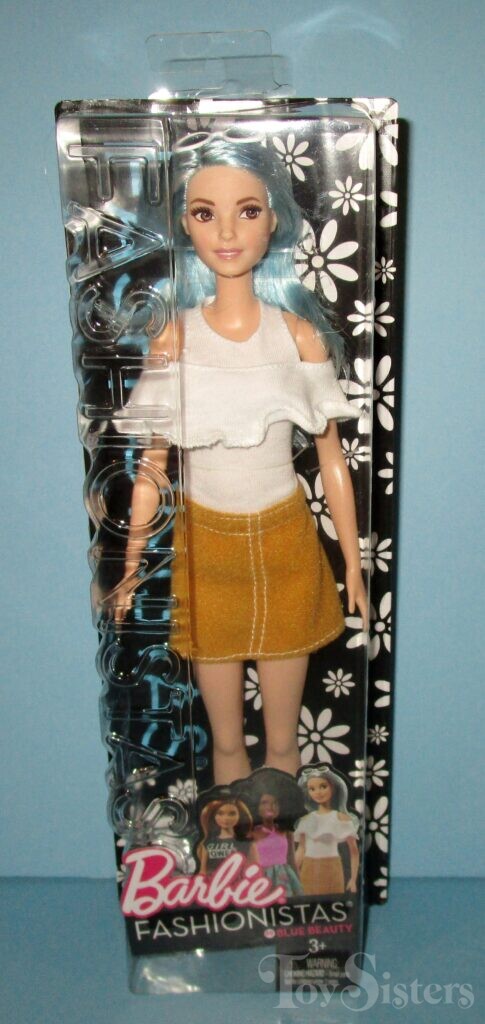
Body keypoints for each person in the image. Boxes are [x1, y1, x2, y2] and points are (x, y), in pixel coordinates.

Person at [114, 131, 368, 785]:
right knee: (225, 743)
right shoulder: (175, 339)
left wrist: (352, 564)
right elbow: (151, 468)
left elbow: (331, 460)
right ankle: (229, 845)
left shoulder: (297, 335)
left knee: (284, 742)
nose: (226, 232)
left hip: (284, 540)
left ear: (272, 220)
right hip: (206, 549)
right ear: (184, 223)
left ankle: (282, 847)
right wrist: (129, 566)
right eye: (205, 213)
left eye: (246, 210)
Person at [294, 765, 359, 896]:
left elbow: (354, 852)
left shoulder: (341, 819)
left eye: (323, 786)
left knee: (333, 899)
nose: (318, 792)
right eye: (312, 789)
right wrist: (292, 874)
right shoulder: (306, 820)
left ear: (333, 788)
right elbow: (301, 849)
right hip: (308, 867)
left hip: (332, 867)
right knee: (308, 900)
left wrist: (353, 879)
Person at [197, 797, 253, 875]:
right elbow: (203, 871)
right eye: (220, 813)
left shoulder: (247, 844)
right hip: (214, 881)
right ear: (214, 816)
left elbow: (254, 869)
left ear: (240, 815)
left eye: (232, 814)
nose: (226, 818)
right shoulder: (208, 843)